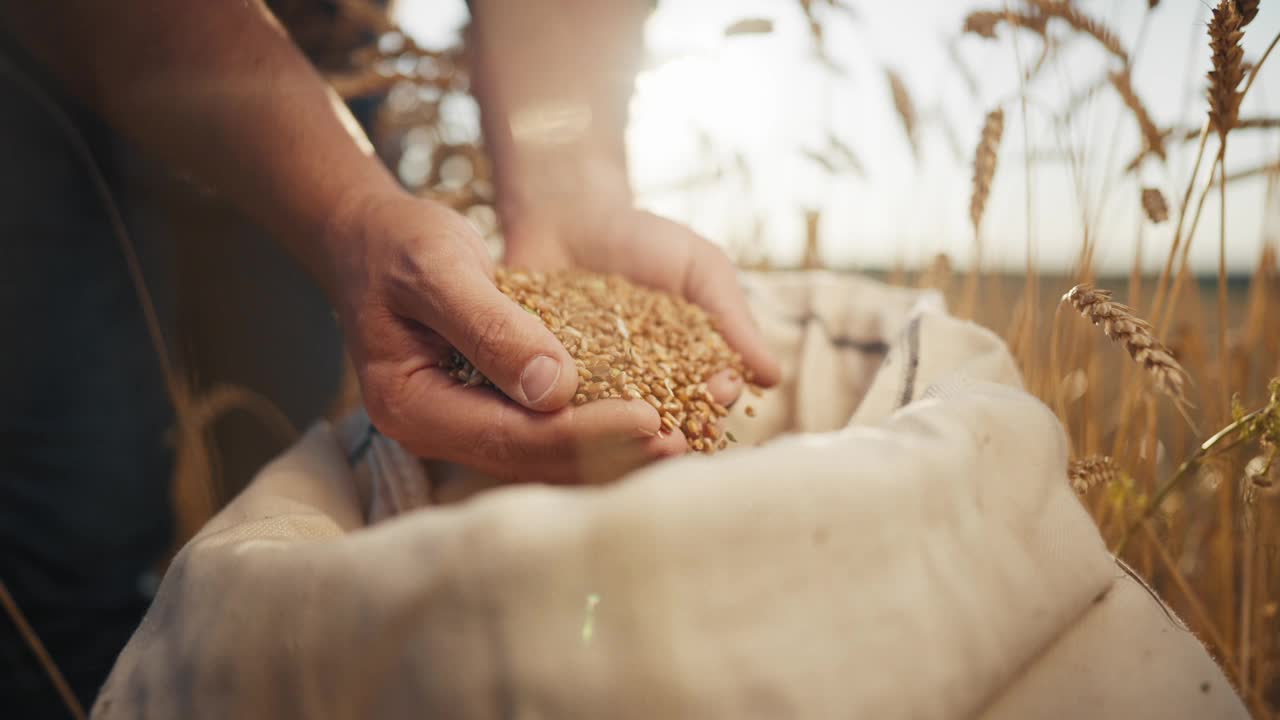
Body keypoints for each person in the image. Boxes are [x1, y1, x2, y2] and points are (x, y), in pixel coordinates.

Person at [0, 0, 781, 715]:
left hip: (329, 55)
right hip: (51, 63)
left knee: (276, 461)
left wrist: (575, 196)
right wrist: (352, 210)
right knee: (73, 530)